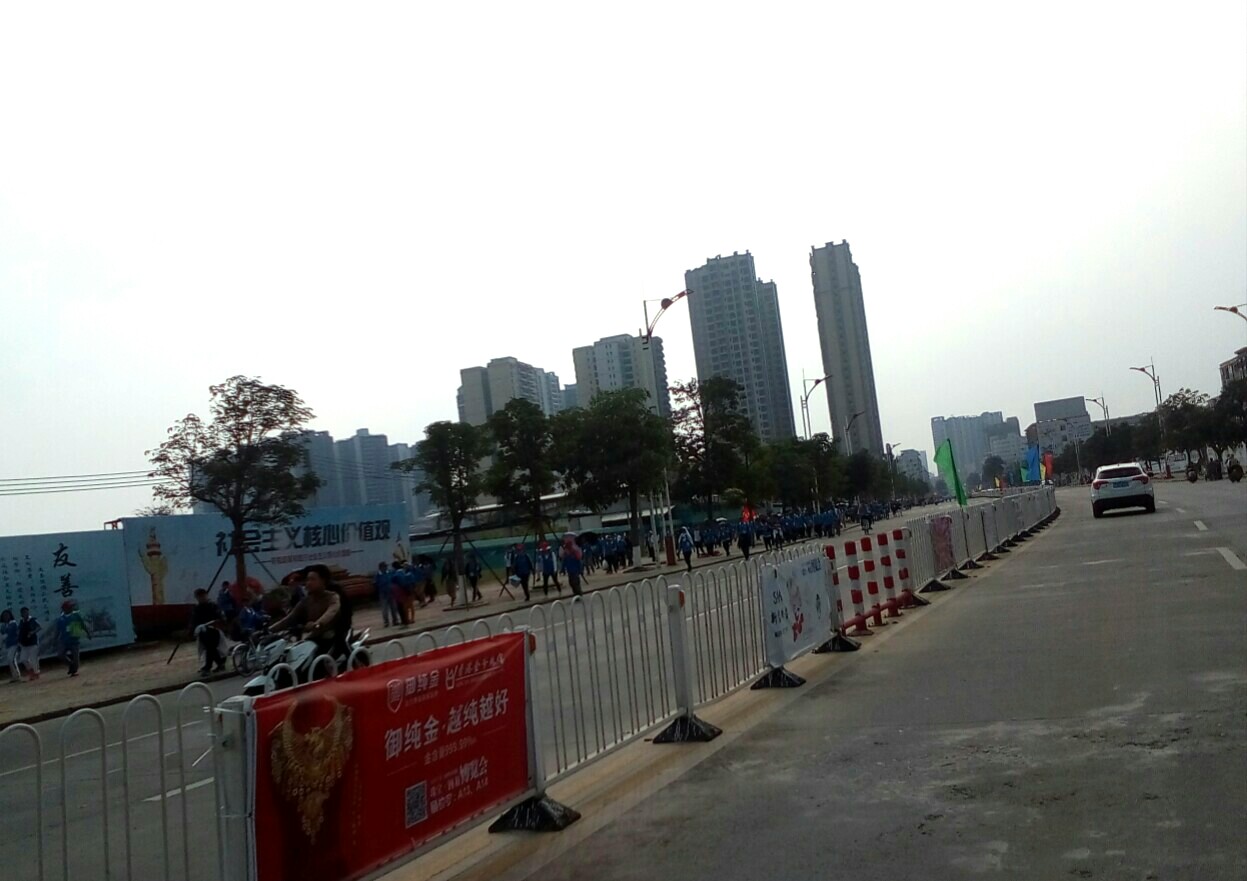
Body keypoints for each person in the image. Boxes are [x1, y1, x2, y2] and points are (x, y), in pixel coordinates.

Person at [272, 564, 346, 661]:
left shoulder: (333, 597)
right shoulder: (306, 600)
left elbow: (331, 612)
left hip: (332, 635)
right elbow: (290, 618)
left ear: (323, 581)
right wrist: (270, 629)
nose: (308, 583)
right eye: (307, 580)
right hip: (315, 636)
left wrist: (317, 624)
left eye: (313, 579)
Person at [190, 588, 227, 674]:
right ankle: (220, 663)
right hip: (202, 631)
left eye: (203, 596)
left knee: (211, 647)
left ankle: (208, 667)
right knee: (210, 648)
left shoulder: (213, 606)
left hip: (214, 630)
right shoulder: (197, 608)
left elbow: (220, 617)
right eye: (199, 597)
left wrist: (218, 623)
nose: (202, 598)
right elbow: (194, 620)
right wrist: (193, 630)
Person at [55, 600, 92, 677]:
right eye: (70, 607)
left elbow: (82, 625)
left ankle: (73, 671)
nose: (72, 608)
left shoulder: (76, 616)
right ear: (65, 609)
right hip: (64, 640)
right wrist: (55, 639)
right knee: (60, 654)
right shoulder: (61, 619)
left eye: (72, 607)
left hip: (74, 640)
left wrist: (88, 633)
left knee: (76, 658)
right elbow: (58, 630)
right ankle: (70, 664)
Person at [17, 607, 41, 680]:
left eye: (26, 612)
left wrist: (32, 632)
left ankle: (36, 673)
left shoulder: (32, 619)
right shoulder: (21, 621)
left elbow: (39, 627)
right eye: (23, 612)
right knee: (23, 659)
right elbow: (19, 631)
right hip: (24, 643)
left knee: (33, 659)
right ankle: (31, 671)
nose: (25, 613)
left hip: (33, 642)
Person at [374, 561, 397, 627]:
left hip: (391, 592)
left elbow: (393, 580)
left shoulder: (389, 572)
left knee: (393, 608)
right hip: (383, 594)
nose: (386, 567)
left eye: (386, 566)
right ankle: (386, 622)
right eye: (385, 566)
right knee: (384, 609)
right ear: (381, 567)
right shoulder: (378, 575)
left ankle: (395, 620)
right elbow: (375, 584)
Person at [1, 610, 20, 682]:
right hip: (8, 645)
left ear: (10, 616)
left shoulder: (13, 623)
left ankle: (16, 675)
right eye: (4, 616)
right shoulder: (3, 625)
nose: (6, 617)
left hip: (14, 644)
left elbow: (9, 634)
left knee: (11, 659)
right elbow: (2, 636)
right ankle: (15, 676)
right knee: (10, 660)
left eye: (7, 615)